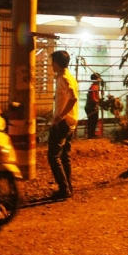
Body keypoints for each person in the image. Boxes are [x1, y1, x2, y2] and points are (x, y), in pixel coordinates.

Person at [48, 50, 78, 200]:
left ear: (57, 63)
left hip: (63, 123)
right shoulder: (69, 77)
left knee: (53, 156)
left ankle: (64, 189)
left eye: (52, 62)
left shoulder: (64, 78)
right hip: (71, 121)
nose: (51, 65)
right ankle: (68, 187)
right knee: (65, 156)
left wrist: (60, 116)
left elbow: (73, 98)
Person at [85, 73, 101, 139]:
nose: (100, 80)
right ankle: (90, 135)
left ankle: (92, 134)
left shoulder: (95, 86)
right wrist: (99, 102)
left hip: (91, 106)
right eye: (98, 78)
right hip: (91, 107)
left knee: (94, 120)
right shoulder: (94, 87)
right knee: (92, 120)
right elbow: (93, 98)